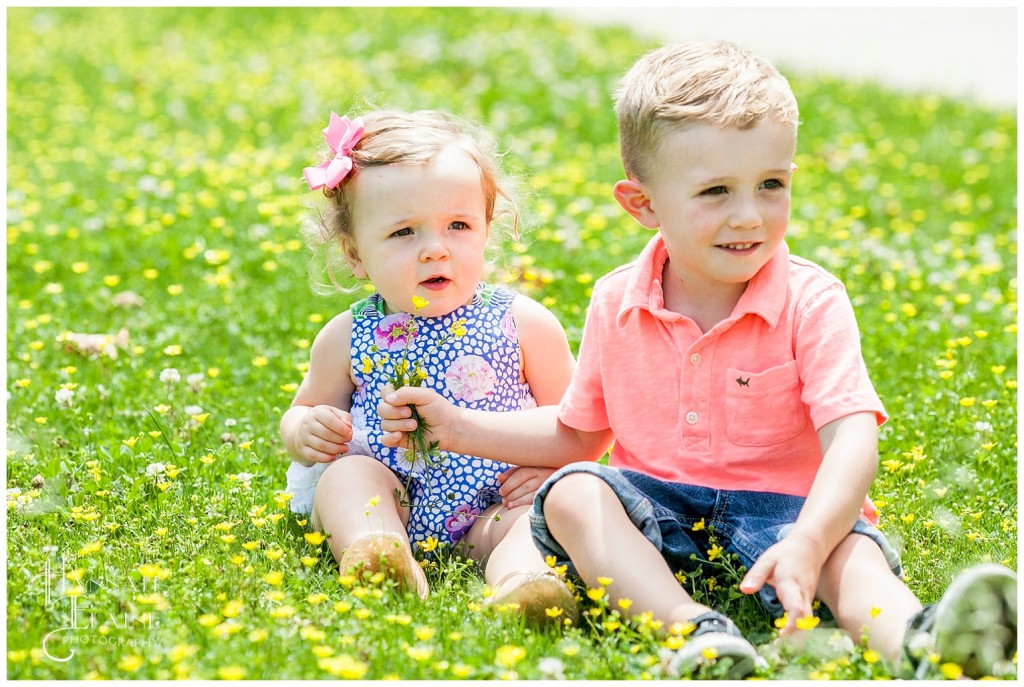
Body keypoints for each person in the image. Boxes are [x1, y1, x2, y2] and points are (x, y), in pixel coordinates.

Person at [378, 42, 1017, 679]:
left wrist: (811, 537)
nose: (749, 215)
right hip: (657, 511)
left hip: (788, 511)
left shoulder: (810, 299)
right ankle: (694, 633)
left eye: (772, 184)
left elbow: (851, 439)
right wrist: (458, 427)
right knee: (573, 493)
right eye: (715, 191)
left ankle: (920, 639)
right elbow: (579, 434)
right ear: (643, 205)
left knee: (848, 556)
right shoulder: (617, 300)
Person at [280, 108, 578, 624]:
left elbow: (575, 422)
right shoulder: (348, 335)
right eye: (403, 233)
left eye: (458, 225)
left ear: (487, 229)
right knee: (347, 477)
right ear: (355, 254)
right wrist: (306, 428)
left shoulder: (524, 323)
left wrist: (550, 470)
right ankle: (378, 552)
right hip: (392, 490)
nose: (435, 250)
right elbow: (305, 407)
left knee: (536, 517)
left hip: (496, 499)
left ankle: (523, 585)